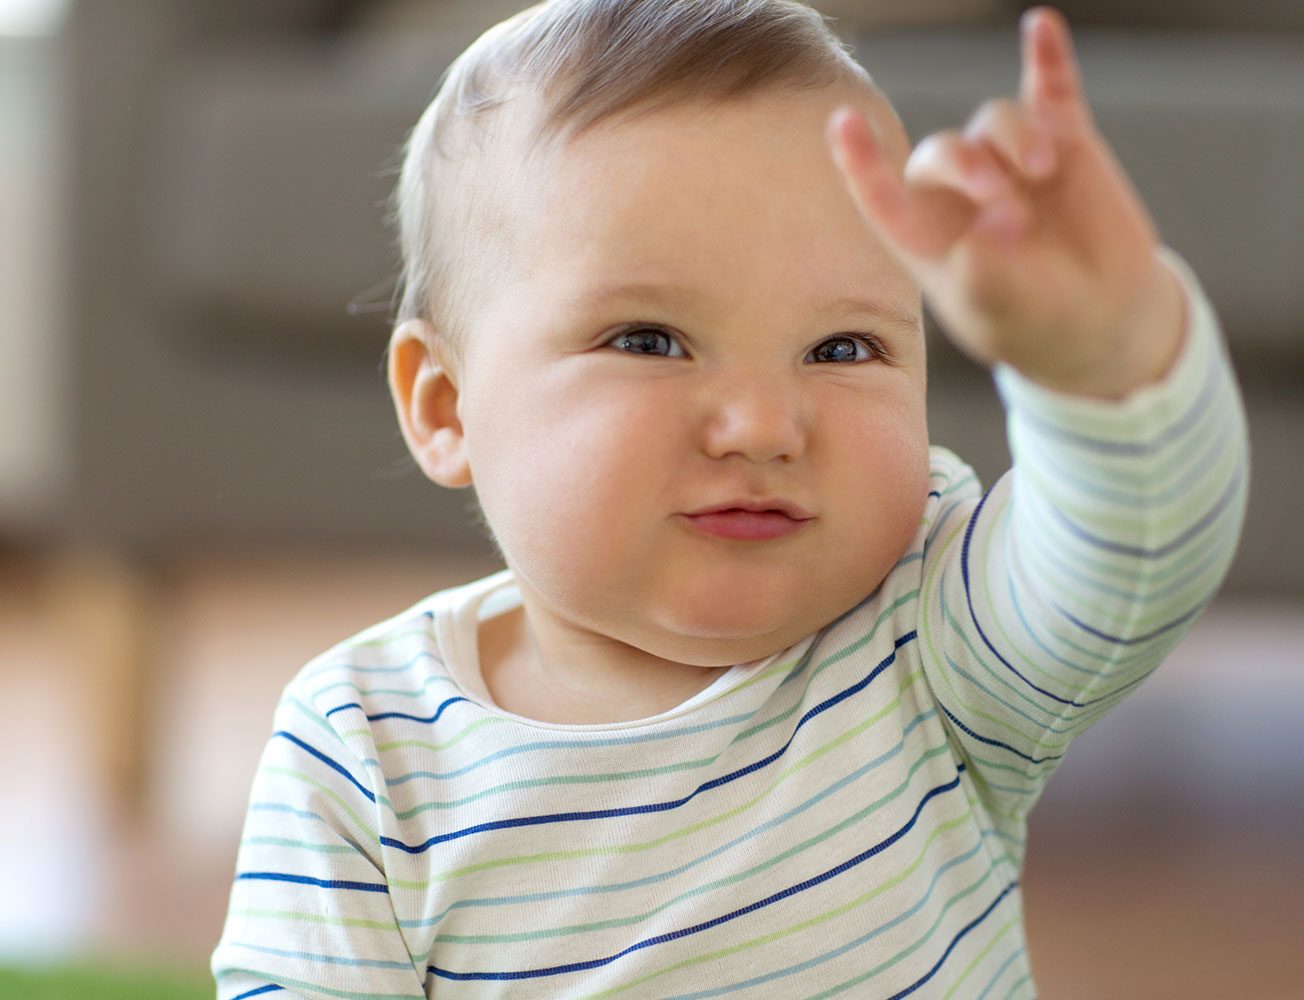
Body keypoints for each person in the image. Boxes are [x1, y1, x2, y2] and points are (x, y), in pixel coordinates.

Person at [211, 1, 1248, 996]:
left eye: (843, 347)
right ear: (446, 404)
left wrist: (1109, 357)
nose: (762, 422)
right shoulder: (363, 748)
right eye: (650, 341)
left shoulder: (922, 637)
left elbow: (1129, 556)